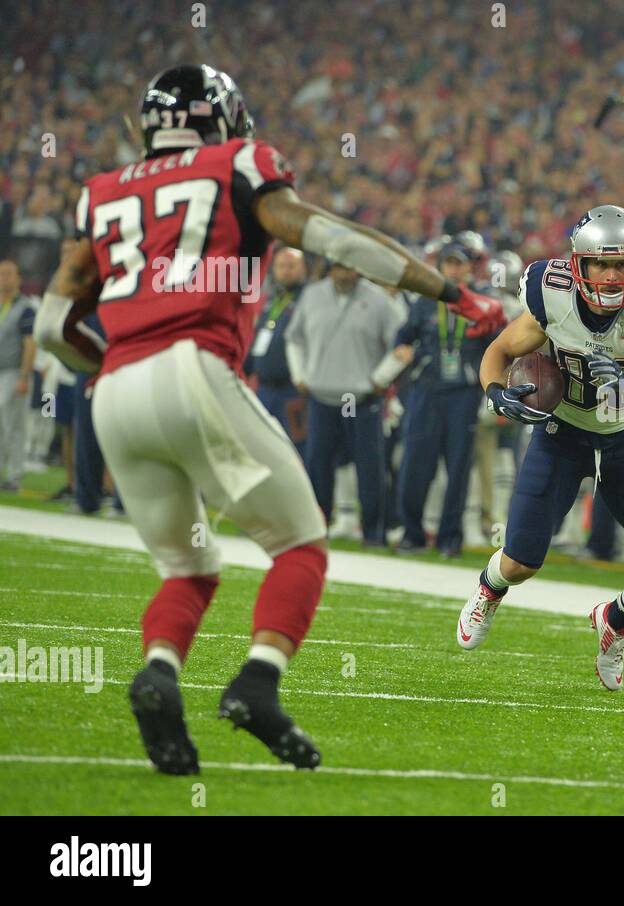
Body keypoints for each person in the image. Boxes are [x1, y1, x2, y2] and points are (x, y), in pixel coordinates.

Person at [33, 63, 498, 775]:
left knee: (187, 566)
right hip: (193, 366)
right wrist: (452, 292)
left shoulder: (102, 192)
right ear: (222, 117)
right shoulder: (237, 163)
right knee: (301, 544)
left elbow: (54, 323)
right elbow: (332, 239)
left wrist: (109, 367)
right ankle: (257, 682)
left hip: (117, 388)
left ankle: (159, 671)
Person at [455, 204, 624, 692]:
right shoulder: (550, 291)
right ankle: (489, 587)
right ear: (578, 265)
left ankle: (615, 619)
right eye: (600, 264)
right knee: (521, 562)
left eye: (622, 264)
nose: (611, 276)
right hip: (562, 431)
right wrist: (496, 392)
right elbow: (499, 352)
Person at [286, 263, 408, 547]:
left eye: (351, 269)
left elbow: (403, 345)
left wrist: (380, 379)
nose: (345, 275)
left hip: (362, 398)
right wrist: (299, 374)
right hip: (321, 396)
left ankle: (374, 533)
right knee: (318, 464)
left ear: (359, 271)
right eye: (339, 269)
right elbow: (294, 338)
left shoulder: (380, 300)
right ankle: (316, 530)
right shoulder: (312, 295)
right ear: (329, 270)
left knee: (370, 468)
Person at [392, 243, 502, 555]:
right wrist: (401, 348)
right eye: (448, 264)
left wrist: (489, 389)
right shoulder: (425, 301)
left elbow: (497, 346)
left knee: (458, 468)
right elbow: (404, 335)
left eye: (459, 264)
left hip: (464, 395)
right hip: (427, 390)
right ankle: (412, 534)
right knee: (415, 464)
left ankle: (449, 539)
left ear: (470, 268)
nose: (453, 270)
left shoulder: (483, 303)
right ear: (440, 268)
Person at [245, 247, 309, 457]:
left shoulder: (310, 300)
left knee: (296, 450)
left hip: (293, 391)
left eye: (291, 266)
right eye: (281, 266)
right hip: (264, 389)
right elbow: (258, 337)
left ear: (303, 268)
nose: (286, 271)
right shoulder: (270, 299)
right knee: (263, 450)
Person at [0, 259, 37, 491]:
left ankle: (14, 475)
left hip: (13, 372)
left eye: (9, 273)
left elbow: (30, 343)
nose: (5, 277)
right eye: (1, 273)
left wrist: (24, 375)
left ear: (18, 279)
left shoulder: (26, 307)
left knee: (13, 424)